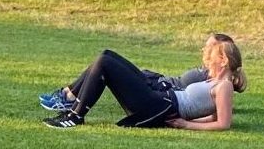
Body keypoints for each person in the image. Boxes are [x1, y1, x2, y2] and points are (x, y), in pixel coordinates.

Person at [41, 33, 244, 131]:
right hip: (159, 98)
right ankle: (73, 106)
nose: (206, 56)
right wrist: (188, 122)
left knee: (105, 63)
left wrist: (185, 124)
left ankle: (75, 116)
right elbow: (212, 117)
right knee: (106, 55)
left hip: (160, 106)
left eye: (212, 54)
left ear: (224, 61)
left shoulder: (224, 86)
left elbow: (223, 123)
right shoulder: (215, 82)